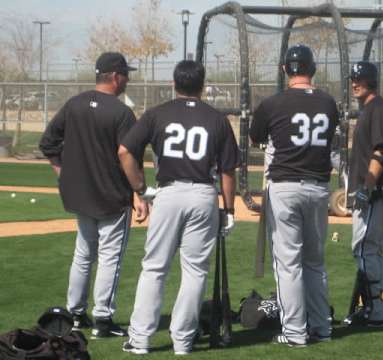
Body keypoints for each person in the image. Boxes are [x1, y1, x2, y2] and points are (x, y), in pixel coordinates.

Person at [119, 60, 239, 355]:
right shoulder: (216, 118)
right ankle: (183, 342)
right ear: (202, 85)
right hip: (202, 194)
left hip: (168, 194)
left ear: (174, 83)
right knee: (195, 271)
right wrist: (229, 210)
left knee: (155, 268)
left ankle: (141, 339)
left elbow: (124, 151)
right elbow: (227, 171)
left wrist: (141, 190)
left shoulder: (157, 113)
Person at [39, 52, 148, 338]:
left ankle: (75, 314)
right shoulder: (122, 113)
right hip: (111, 196)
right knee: (109, 257)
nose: (127, 79)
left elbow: (48, 142)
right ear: (115, 77)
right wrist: (139, 193)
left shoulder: (74, 104)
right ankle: (102, 320)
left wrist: (61, 171)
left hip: (80, 195)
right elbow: (130, 156)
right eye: (125, 74)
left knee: (83, 254)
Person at [250, 44, 338, 347]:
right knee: (315, 262)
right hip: (318, 188)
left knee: (288, 264)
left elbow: (255, 137)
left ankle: (294, 332)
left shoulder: (273, 103)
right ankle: (322, 328)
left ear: (285, 69)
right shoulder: (329, 103)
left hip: (285, 186)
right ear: (312, 69)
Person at [345, 61, 383, 327]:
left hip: (375, 193)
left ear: (372, 81)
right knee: (370, 250)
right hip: (371, 192)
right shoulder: (371, 109)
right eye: (354, 79)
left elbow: (382, 151)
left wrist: (366, 189)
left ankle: (375, 310)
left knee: (365, 249)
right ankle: (369, 307)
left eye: (361, 79)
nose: (355, 83)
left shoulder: (378, 109)